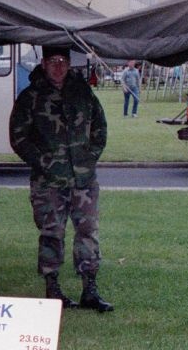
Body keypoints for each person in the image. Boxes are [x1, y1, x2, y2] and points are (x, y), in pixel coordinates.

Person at [9, 44, 112, 311]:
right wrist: (43, 162)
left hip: (83, 180)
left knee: (88, 232)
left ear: (69, 63)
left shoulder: (82, 92)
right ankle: (53, 289)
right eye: (52, 61)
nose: (58, 66)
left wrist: (90, 156)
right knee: (52, 233)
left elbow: (100, 127)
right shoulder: (31, 96)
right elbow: (18, 137)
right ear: (43, 64)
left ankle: (90, 289)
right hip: (49, 182)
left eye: (62, 61)